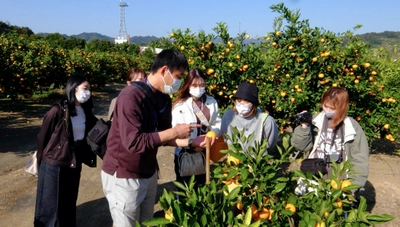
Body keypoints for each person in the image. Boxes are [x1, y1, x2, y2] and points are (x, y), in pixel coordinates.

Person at [101, 49, 206, 227]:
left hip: (148, 173)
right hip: (124, 174)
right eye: (178, 76)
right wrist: (175, 132)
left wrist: (190, 142)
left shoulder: (163, 98)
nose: (179, 82)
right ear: (164, 70)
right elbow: (134, 143)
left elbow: (162, 137)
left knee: (146, 223)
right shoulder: (130, 97)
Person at [34, 74, 98, 227]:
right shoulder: (58, 110)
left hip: (73, 160)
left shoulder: (84, 109)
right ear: (73, 88)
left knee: (68, 200)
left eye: (89, 89)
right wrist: (40, 159)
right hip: (54, 162)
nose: (88, 92)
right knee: (50, 205)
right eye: (85, 88)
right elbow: (43, 135)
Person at [291, 87, 369, 189]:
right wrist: (304, 126)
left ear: (342, 107)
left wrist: (354, 185)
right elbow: (301, 147)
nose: (327, 110)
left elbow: (360, 158)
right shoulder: (314, 121)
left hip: (339, 180)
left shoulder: (352, 127)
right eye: (325, 106)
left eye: (332, 108)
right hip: (312, 174)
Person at [172, 68, 221, 186]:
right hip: (184, 149)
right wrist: (191, 143)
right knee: (184, 186)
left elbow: (217, 122)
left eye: (202, 85)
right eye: (194, 85)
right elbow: (175, 130)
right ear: (188, 85)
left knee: (202, 183)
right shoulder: (180, 105)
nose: (198, 88)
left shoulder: (211, 102)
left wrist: (213, 133)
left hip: (204, 149)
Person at [221, 82, 279, 156]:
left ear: (253, 103)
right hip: (234, 159)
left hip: (256, 162)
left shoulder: (266, 120)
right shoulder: (228, 116)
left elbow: (270, 142)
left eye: (246, 101)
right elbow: (225, 136)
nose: (242, 104)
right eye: (239, 100)